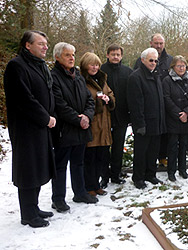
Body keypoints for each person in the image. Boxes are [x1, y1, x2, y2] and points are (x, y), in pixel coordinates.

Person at [4, 30, 56, 227]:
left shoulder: (39, 65)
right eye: (41, 43)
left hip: (41, 127)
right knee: (28, 170)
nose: (45, 47)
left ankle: (33, 207)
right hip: (26, 128)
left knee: (38, 167)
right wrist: (46, 118)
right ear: (28, 45)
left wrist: (50, 117)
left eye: (46, 43)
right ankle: (28, 214)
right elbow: (24, 100)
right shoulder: (16, 66)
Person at [51, 42, 98, 212]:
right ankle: (58, 199)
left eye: (73, 54)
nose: (72, 58)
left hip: (82, 128)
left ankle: (80, 192)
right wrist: (78, 119)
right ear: (57, 57)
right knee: (60, 166)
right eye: (67, 55)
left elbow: (89, 100)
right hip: (65, 129)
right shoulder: (54, 77)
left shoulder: (77, 75)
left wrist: (87, 116)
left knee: (78, 163)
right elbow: (59, 104)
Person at [127, 48, 166, 189]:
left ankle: (151, 174)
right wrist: (140, 124)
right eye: (151, 60)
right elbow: (135, 103)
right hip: (144, 122)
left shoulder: (156, 75)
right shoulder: (136, 77)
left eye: (156, 60)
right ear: (143, 60)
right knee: (141, 152)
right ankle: (138, 177)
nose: (154, 63)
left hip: (156, 121)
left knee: (153, 151)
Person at [134, 33, 173, 168]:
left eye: (161, 43)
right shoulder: (138, 70)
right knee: (143, 147)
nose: (159, 46)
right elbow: (136, 98)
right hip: (146, 111)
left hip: (161, 110)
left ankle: (156, 167)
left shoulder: (168, 62)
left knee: (157, 144)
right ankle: (140, 175)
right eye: (156, 43)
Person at [79, 52, 116, 195]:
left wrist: (109, 99)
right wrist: (98, 101)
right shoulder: (82, 80)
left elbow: (111, 93)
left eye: (97, 65)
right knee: (89, 158)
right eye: (92, 64)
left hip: (104, 125)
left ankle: (96, 184)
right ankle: (88, 187)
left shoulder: (102, 79)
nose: (95, 67)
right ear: (85, 65)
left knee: (101, 157)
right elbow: (83, 101)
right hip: (92, 125)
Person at [100, 44, 133, 188]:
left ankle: (116, 174)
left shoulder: (128, 72)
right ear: (107, 55)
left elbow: (132, 95)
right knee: (103, 148)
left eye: (118, 54)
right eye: (112, 54)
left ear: (121, 56)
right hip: (104, 115)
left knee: (118, 147)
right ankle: (104, 176)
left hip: (122, 116)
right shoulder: (100, 70)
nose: (115, 57)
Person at [163, 55, 188, 181]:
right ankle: (171, 171)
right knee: (172, 146)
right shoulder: (167, 81)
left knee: (184, 145)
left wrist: (187, 113)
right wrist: (179, 114)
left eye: (183, 66)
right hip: (173, 118)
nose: (181, 68)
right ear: (173, 67)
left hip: (187, 118)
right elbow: (166, 98)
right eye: (179, 66)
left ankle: (182, 169)